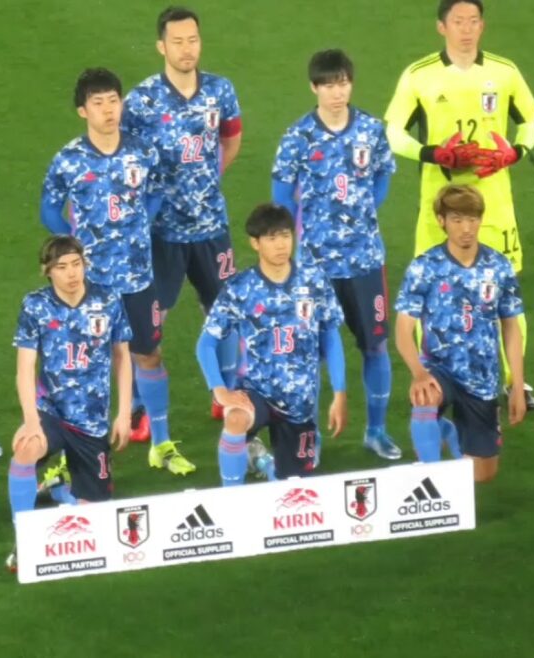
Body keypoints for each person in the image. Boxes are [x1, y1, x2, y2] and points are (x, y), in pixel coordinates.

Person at [383, 0, 534, 409]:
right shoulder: (419, 76)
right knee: (428, 288)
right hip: (439, 202)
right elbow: (393, 133)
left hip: (495, 202)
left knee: (506, 290)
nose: (466, 29)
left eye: (473, 21)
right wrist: (433, 154)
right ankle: (431, 376)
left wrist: (516, 152)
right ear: (442, 27)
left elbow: (531, 121)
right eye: (458, 22)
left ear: (482, 26)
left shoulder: (504, 72)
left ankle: (514, 381)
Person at [41, 67, 194, 478]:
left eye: (113, 101)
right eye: (98, 103)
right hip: (87, 286)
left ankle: (160, 442)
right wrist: (71, 245)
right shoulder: (69, 160)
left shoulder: (142, 152)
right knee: (81, 365)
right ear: (82, 110)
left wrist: (142, 220)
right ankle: (69, 455)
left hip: (138, 279)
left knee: (149, 354)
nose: (108, 110)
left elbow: (160, 189)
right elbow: (48, 207)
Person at [272, 48, 402, 462]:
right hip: (314, 266)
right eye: (328, 84)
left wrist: (360, 217)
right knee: (309, 354)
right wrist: (296, 246)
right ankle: (311, 438)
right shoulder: (297, 137)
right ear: (314, 87)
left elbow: (382, 176)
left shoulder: (371, 130)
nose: (336, 91)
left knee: (376, 346)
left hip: (364, 261)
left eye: (343, 82)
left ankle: (376, 430)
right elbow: (280, 199)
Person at [122, 6, 244, 428]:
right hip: (162, 234)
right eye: (177, 41)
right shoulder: (140, 102)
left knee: (226, 309)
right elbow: (127, 162)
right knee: (152, 317)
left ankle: (226, 393)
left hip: (212, 228)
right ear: (161, 46)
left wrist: (206, 184)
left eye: (192, 39)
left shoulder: (220, 90)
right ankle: (139, 403)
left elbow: (231, 139)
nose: (186, 48)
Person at [5, 236, 133, 571]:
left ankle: (60, 487)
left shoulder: (107, 300)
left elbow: (122, 357)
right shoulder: (35, 305)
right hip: (53, 413)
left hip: (92, 423)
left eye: (76, 264)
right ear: (47, 272)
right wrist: (31, 420)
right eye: (62, 267)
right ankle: (24, 537)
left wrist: (123, 414)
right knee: (24, 448)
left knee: (96, 526)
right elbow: (24, 369)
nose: (72, 273)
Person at [196, 203, 347, 485]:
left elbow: (331, 337)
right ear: (255, 243)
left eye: (286, 235)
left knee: (292, 487)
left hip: (300, 402)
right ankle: (232, 498)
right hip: (256, 392)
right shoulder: (241, 288)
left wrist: (339, 392)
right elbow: (206, 344)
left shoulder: (314, 282)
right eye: (272, 238)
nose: (281, 245)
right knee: (236, 419)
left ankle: (264, 463)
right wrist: (220, 391)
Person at [393, 184, 526, 482]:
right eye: (457, 220)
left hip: (482, 378)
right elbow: (403, 329)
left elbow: (511, 328)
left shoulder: (499, 267)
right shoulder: (425, 267)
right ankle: (431, 480)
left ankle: (448, 431)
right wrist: (418, 373)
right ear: (441, 221)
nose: (466, 228)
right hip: (440, 370)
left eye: (472, 219)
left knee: (482, 476)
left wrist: (516, 384)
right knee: (425, 399)